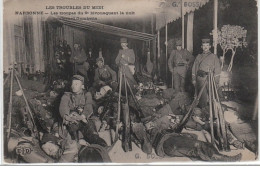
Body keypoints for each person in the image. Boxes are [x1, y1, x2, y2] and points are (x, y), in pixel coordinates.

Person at [59, 75, 107, 146]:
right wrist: (67, 117)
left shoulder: (87, 94)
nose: (73, 86)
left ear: (82, 86)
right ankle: (76, 143)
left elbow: (88, 106)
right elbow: (63, 107)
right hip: (72, 120)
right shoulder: (66, 95)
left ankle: (99, 144)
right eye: (72, 84)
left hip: (84, 118)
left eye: (76, 84)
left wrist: (82, 116)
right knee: (72, 131)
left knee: (92, 132)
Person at [192, 38, 221, 108]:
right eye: (204, 45)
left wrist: (216, 81)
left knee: (212, 96)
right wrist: (194, 79)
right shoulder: (198, 57)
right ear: (201, 47)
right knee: (202, 97)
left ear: (210, 46)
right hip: (200, 79)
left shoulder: (214, 56)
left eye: (207, 45)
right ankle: (203, 111)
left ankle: (212, 112)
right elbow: (194, 68)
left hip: (210, 79)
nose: (205, 47)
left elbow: (217, 69)